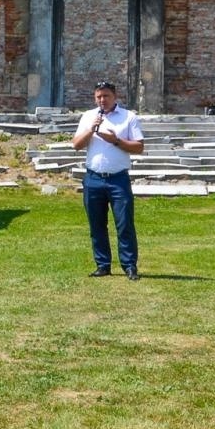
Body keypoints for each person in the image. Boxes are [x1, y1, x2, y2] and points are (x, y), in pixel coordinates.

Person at [71, 80, 145, 279]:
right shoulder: (88, 117)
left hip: (118, 179)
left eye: (106, 96)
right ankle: (103, 265)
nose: (102, 100)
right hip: (93, 179)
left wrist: (116, 141)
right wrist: (90, 130)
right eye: (98, 97)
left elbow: (139, 147)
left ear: (115, 97)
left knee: (124, 223)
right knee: (96, 225)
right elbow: (76, 145)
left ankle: (129, 266)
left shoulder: (128, 117)